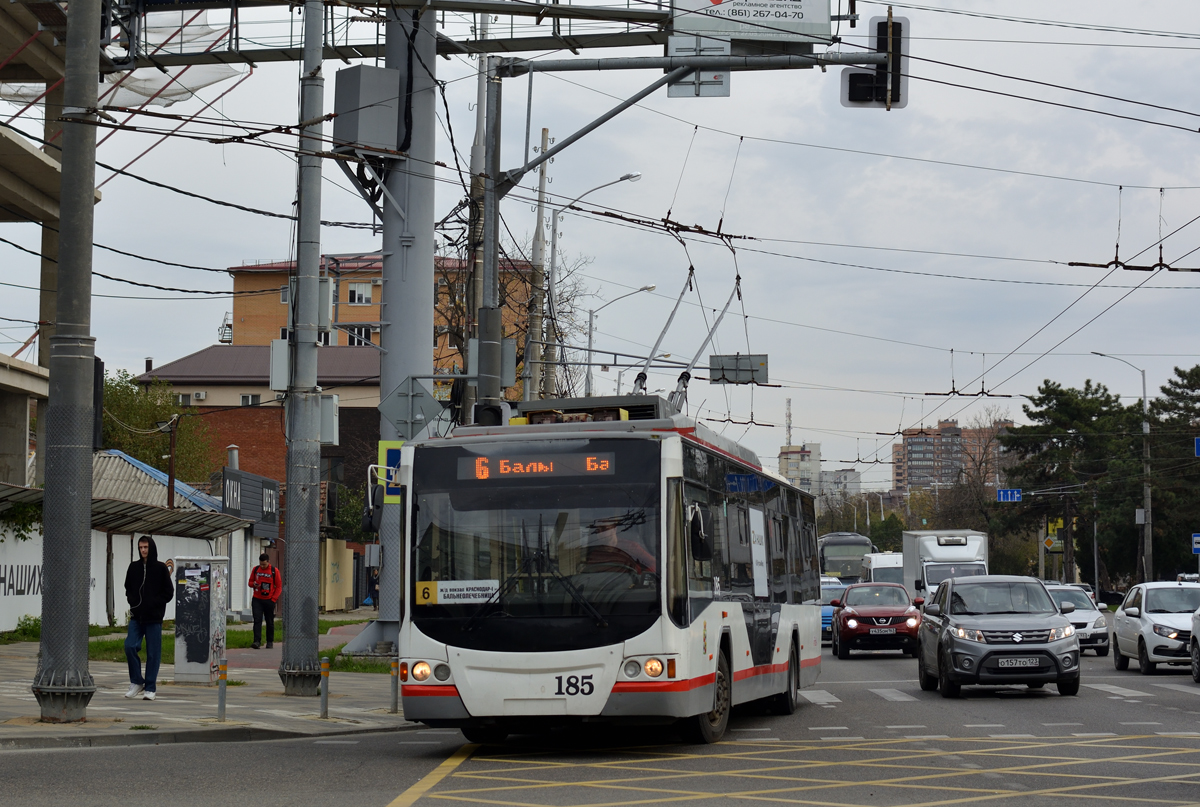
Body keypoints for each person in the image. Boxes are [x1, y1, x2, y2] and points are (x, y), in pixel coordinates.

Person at [123, 537, 174, 701]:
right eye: (140, 547)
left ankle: (150, 687)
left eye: (145, 547)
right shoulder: (134, 567)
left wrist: (154, 603)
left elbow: (168, 592)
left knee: (153, 653)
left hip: (154, 618)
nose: (143, 550)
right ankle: (137, 681)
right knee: (130, 646)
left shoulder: (160, 568)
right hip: (137, 617)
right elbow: (128, 587)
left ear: (151, 547)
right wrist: (132, 601)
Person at [248, 553, 282, 649]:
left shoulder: (274, 571)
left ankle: (270, 641)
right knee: (257, 620)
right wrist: (253, 584)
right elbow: (250, 582)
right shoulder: (255, 569)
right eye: (261, 564)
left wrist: (273, 599)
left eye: (264, 564)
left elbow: (279, 587)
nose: (262, 566)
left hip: (269, 600)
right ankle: (256, 641)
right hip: (257, 599)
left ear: (268, 562)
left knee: (269, 621)